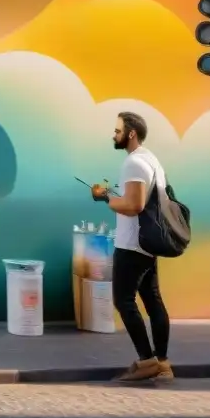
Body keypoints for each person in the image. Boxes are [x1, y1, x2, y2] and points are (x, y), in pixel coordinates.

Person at [91, 111, 174, 383]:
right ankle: (162, 363)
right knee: (152, 302)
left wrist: (104, 198)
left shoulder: (134, 163)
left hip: (131, 244)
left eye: (117, 131)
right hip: (147, 244)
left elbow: (133, 205)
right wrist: (116, 195)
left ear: (131, 134)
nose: (113, 135)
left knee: (124, 301)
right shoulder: (151, 160)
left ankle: (147, 360)